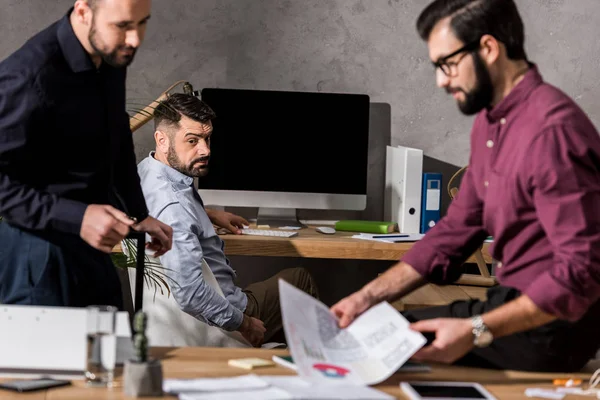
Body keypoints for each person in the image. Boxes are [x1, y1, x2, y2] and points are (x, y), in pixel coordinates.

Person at [331, 0, 600, 372]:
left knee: (372, 352)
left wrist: (475, 329)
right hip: (511, 303)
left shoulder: (552, 132)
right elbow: (456, 231)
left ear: (489, 48)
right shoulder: (490, 124)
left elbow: (582, 272)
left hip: (552, 328)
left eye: (448, 64)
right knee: (365, 334)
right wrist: (365, 298)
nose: (442, 80)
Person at [0, 0, 172, 309]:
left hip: (92, 252)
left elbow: (116, 135)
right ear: (83, 12)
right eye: (122, 26)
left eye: (142, 22)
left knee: (113, 354)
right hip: (38, 260)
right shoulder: (27, 77)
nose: (135, 39)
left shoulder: (110, 53)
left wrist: (139, 212)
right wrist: (77, 217)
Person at [137, 93, 319, 347]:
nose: (206, 150)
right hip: (224, 319)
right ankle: (309, 367)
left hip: (166, 324)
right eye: (192, 141)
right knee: (300, 278)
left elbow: (170, 208)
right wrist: (244, 323)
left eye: (207, 138)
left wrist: (208, 214)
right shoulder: (175, 210)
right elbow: (190, 294)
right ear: (162, 140)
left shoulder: (146, 172)